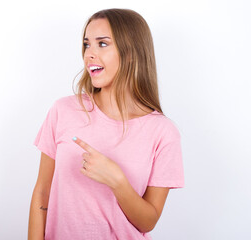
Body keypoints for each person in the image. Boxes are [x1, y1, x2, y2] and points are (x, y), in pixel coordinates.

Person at [28, 8, 184, 240]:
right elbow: (42, 192)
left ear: (131, 53)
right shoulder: (63, 110)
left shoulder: (163, 132)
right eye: (86, 44)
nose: (89, 54)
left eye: (102, 44)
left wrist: (117, 181)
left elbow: (148, 221)